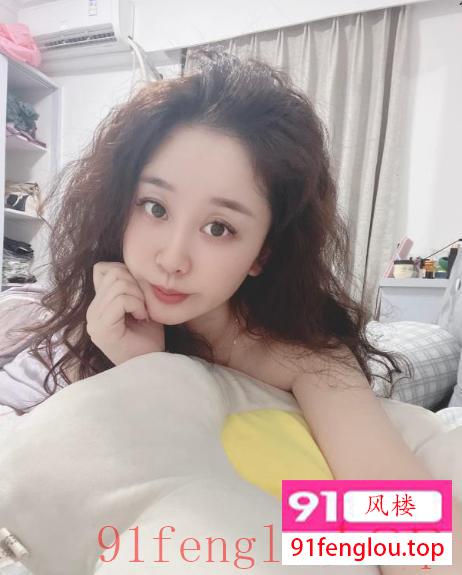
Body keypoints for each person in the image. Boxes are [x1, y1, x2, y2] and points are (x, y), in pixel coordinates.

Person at [1, 47, 460, 573]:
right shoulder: (91, 320)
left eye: (219, 228)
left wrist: (275, 529)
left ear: (263, 253)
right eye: (155, 207)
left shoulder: (307, 361)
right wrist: (143, 372)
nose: (172, 259)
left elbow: (414, 539)